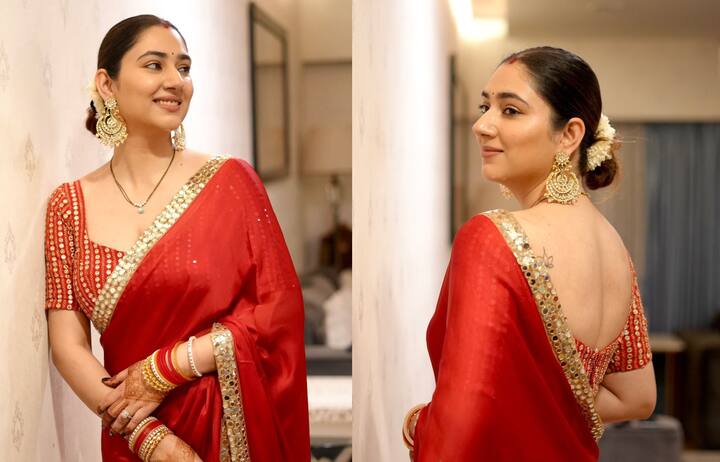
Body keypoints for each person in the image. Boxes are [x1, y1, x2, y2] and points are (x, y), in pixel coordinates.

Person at [44, 15, 309, 461]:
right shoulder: (69, 205)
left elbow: (279, 311)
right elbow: (67, 346)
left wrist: (164, 368)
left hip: (226, 433)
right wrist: (151, 441)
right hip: (132, 434)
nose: (175, 81)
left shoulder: (230, 182)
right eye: (154, 65)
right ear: (107, 85)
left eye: (183, 68)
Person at [402, 46, 656, 461]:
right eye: (485, 106)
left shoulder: (492, 238)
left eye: (511, 111)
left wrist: (420, 425)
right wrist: (542, 413)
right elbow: (638, 397)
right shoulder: (615, 250)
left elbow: (461, 423)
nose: (482, 125)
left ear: (569, 135)